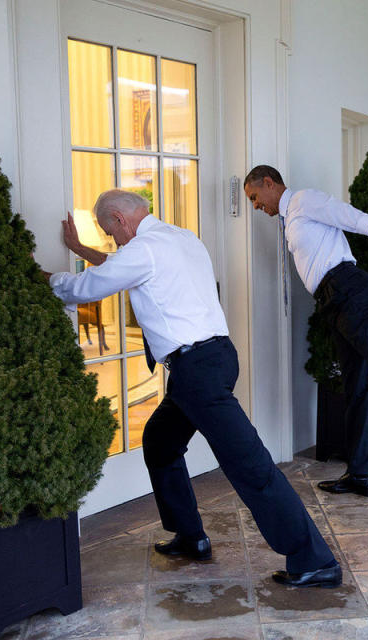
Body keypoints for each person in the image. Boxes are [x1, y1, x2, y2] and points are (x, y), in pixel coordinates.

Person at [45, 189, 340, 588]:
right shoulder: (182, 238)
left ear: (120, 219)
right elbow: (118, 268)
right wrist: (80, 247)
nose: (113, 240)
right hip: (214, 359)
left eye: (109, 232)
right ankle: (190, 535)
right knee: (160, 442)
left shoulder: (143, 249)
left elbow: (85, 288)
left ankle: (314, 559)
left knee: (251, 466)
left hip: (197, 371)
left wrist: (43, 278)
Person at [244, 166, 368, 497]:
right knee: (359, 386)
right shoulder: (290, 217)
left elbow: (357, 220)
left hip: (347, 288)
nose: (255, 206)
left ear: (269, 183)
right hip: (332, 299)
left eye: (254, 197)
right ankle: (362, 474)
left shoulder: (305, 201)